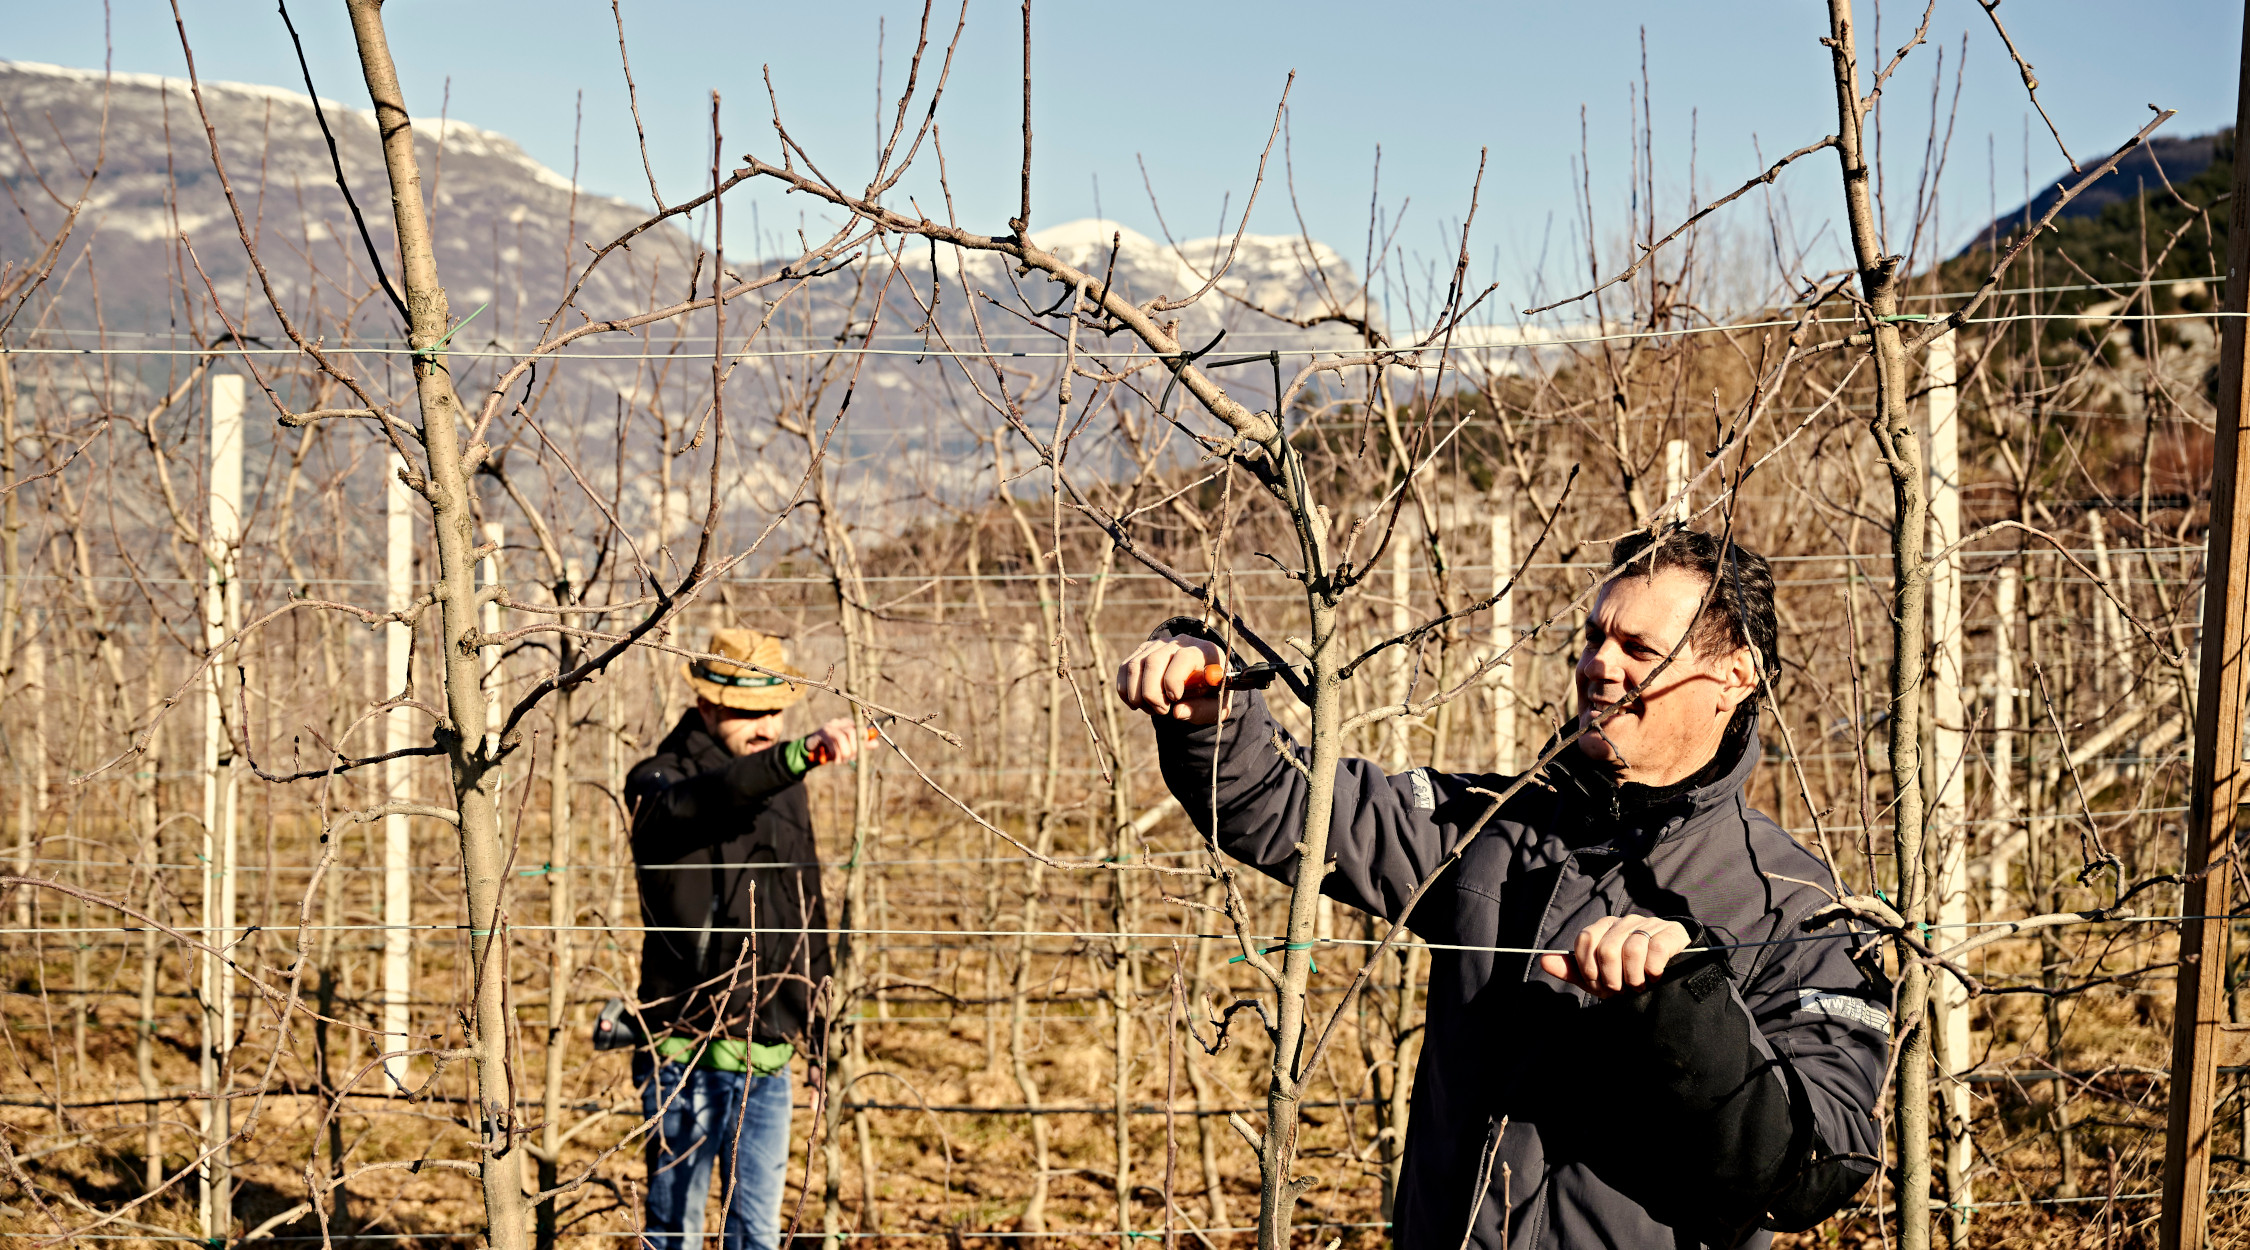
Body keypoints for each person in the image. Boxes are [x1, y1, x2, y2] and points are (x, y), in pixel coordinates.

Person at [1115, 529, 1890, 1250]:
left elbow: (1818, 1168)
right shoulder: (1492, 824)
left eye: (1638, 648)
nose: (1597, 665)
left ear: (1734, 677)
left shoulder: (1794, 903)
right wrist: (1212, 710)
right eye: (1594, 636)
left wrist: (1689, 1005)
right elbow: (1292, 809)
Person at [625, 628, 863, 1250]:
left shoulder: (787, 784)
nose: (766, 727)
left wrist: (820, 1031)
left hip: (769, 1060)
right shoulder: (656, 781)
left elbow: (806, 908)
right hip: (683, 1057)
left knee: (757, 1236)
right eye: (748, 713)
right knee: (672, 1233)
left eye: (775, 712)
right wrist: (794, 758)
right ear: (705, 706)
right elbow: (699, 802)